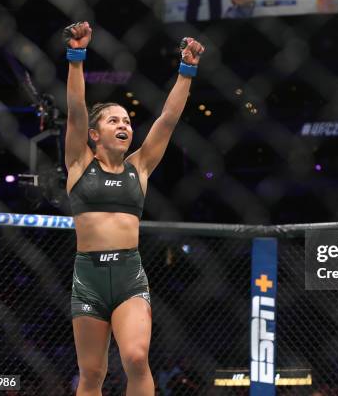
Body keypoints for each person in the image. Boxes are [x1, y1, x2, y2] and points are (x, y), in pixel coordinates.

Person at [63, 21, 204, 396]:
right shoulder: (79, 163)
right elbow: (76, 109)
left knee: (137, 358)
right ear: (95, 134)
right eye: (114, 120)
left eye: (127, 120)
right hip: (87, 278)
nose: (124, 124)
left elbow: (168, 120)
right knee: (91, 373)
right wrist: (76, 57)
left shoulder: (139, 167)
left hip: (129, 274)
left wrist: (186, 71)